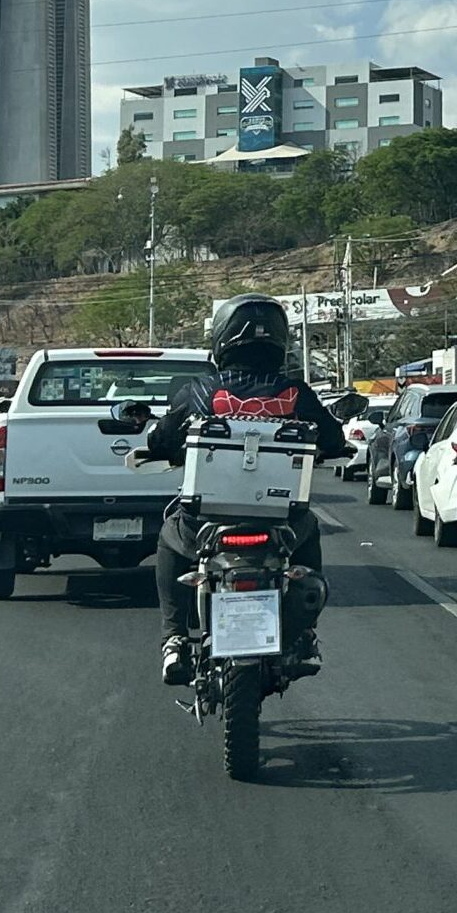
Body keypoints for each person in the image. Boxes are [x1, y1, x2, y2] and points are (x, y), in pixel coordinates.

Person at [141, 293, 346, 687]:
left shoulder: (200, 392)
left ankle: (175, 640)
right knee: (310, 531)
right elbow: (334, 439)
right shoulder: (296, 393)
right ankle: (303, 636)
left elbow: (161, 440)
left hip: (205, 521)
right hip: (282, 521)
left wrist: (161, 445)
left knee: (169, 538)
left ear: (222, 339)